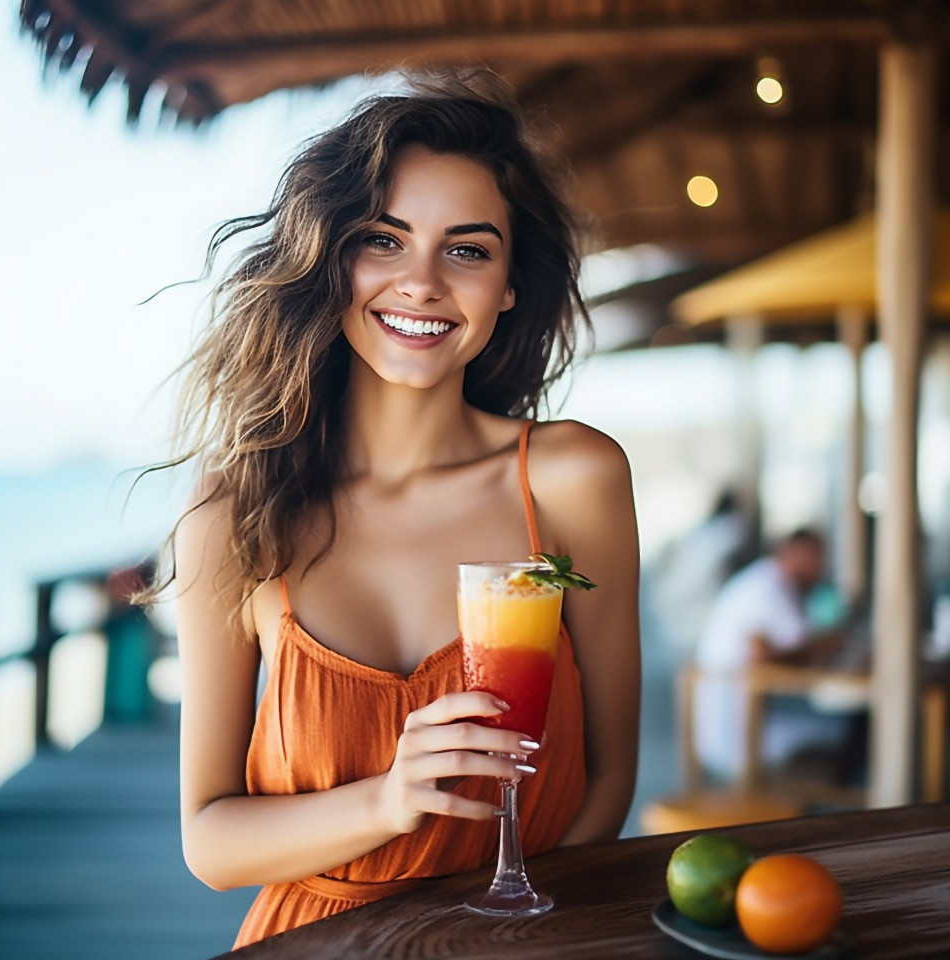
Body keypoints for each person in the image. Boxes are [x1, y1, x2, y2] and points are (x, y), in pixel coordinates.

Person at [139, 71, 641, 949]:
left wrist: (521, 928)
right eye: (383, 239)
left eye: (468, 251)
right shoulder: (233, 514)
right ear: (332, 259)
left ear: (509, 284)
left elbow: (608, 774)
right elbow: (210, 843)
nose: (422, 282)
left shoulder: (571, 478)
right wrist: (389, 799)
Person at [693, 529, 851, 781]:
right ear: (797, 554)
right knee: (843, 728)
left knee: (836, 723)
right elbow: (765, 655)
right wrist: (826, 646)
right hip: (739, 733)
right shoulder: (770, 588)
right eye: (817, 558)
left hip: (734, 724)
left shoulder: (765, 579)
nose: (822, 569)